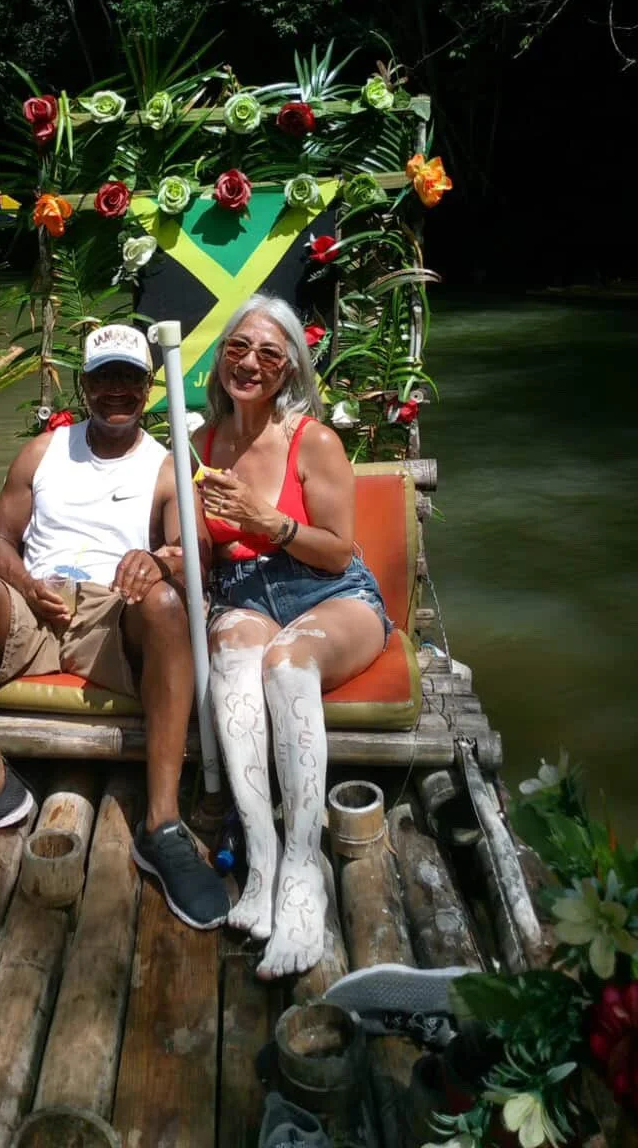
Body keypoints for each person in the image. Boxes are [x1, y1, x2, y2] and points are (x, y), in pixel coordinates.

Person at [0, 323, 230, 931]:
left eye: (130, 379)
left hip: (108, 612)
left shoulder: (166, 466)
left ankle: (161, 823)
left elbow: (195, 552)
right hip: (33, 606)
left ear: (148, 388)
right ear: (83, 385)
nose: (117, 390)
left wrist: (156, 559)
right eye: (104, 378)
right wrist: (24, 582)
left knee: (167, 604)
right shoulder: (43, 451)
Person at [193, 293, 390, 978]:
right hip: (246, 594)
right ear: (221, 359)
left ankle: (304, 876)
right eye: (238, 348)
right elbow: (202, 555)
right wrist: (171, 549)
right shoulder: (198, 446)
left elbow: (339, 551)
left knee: (284, 661)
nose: (250, 362)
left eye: (269, 354)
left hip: (330, 593)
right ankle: (262, 858)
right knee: (232, 654)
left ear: (288, 372)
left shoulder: (316, 440)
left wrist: (263, 519)